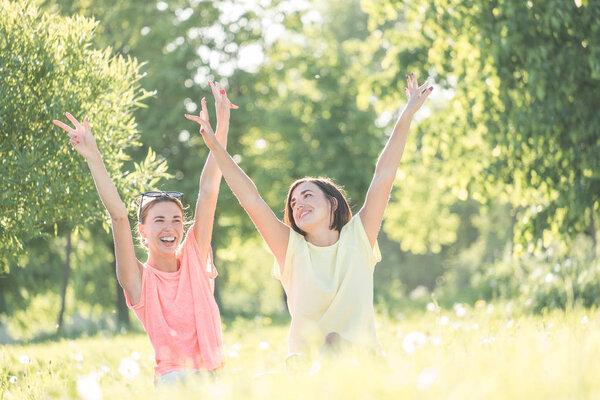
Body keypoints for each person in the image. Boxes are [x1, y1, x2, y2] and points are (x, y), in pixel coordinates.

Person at [190, 73, 433, 358]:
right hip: (306, 368)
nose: (297, 205)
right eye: (293, 202)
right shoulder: (290, 249)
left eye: (307, 196)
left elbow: (384, 175)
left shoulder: (359, 237)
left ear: (332, 204)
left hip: (363, 364)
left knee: (335, 343)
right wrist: (217, 142)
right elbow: (251, 199)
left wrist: (406, 114)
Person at [52, 82, 237, 384]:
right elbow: (118, 215)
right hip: (174, 379)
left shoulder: (194, 256)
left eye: (177, 220)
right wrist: (94, 158)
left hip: (216, 376)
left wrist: (222, 125)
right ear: (143, 231)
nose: (170, 228)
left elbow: (208, 189)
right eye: (159, 220)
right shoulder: (138, 281)